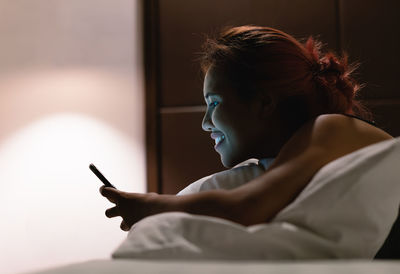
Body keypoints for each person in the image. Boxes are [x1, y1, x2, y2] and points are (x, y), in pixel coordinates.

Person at [100, 25, 393, 232]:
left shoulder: (332, 128)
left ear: (264, 102)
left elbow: (246, 209)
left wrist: (152, 206)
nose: (205, 123)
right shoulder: (298, 154)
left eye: (214, 103)